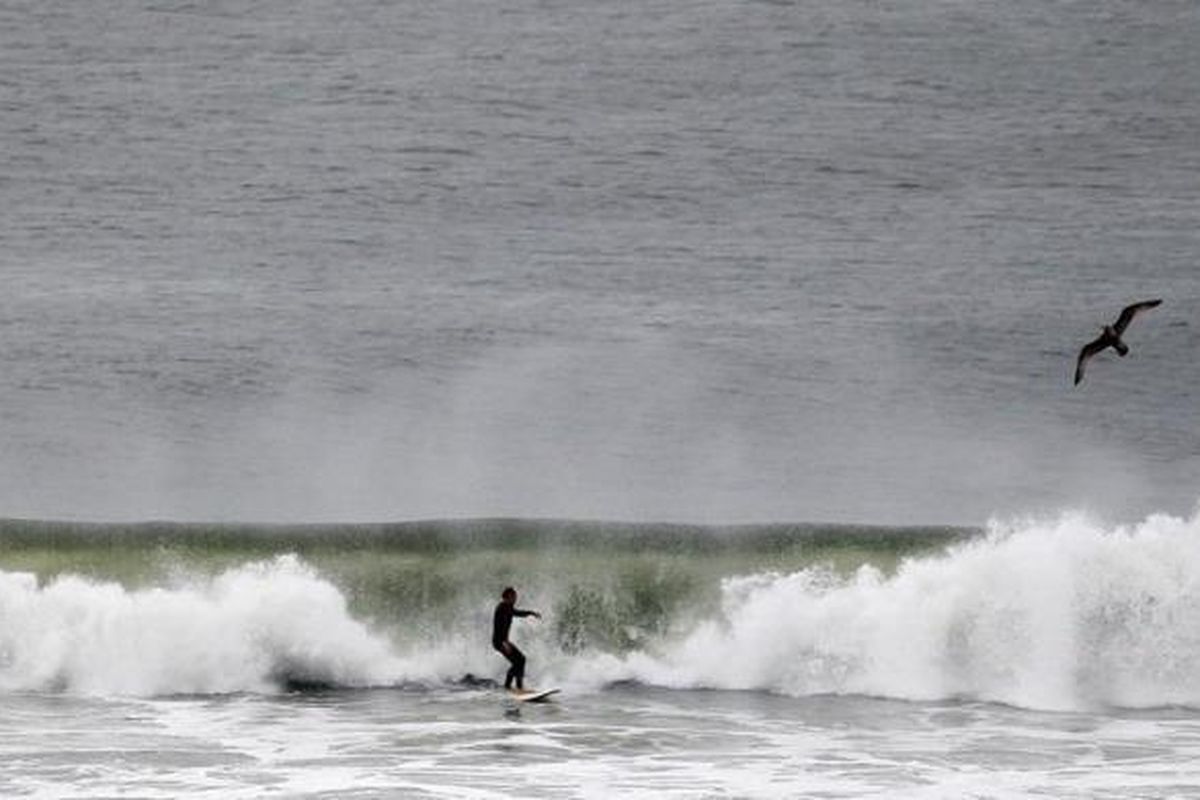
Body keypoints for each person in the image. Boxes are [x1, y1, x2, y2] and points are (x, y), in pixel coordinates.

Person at [492, 586, 541, 691]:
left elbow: (518, 613)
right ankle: (513, 686)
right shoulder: (501, 608)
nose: (516, 598)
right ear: (507, 597)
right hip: (499, 641)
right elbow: (499, 627)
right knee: (519, 661)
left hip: (503, 641)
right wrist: (504, 643)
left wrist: (531, 613)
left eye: (515, 596)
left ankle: (514, 686)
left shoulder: (508, 607)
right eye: (513, 596)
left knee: (520, 660)